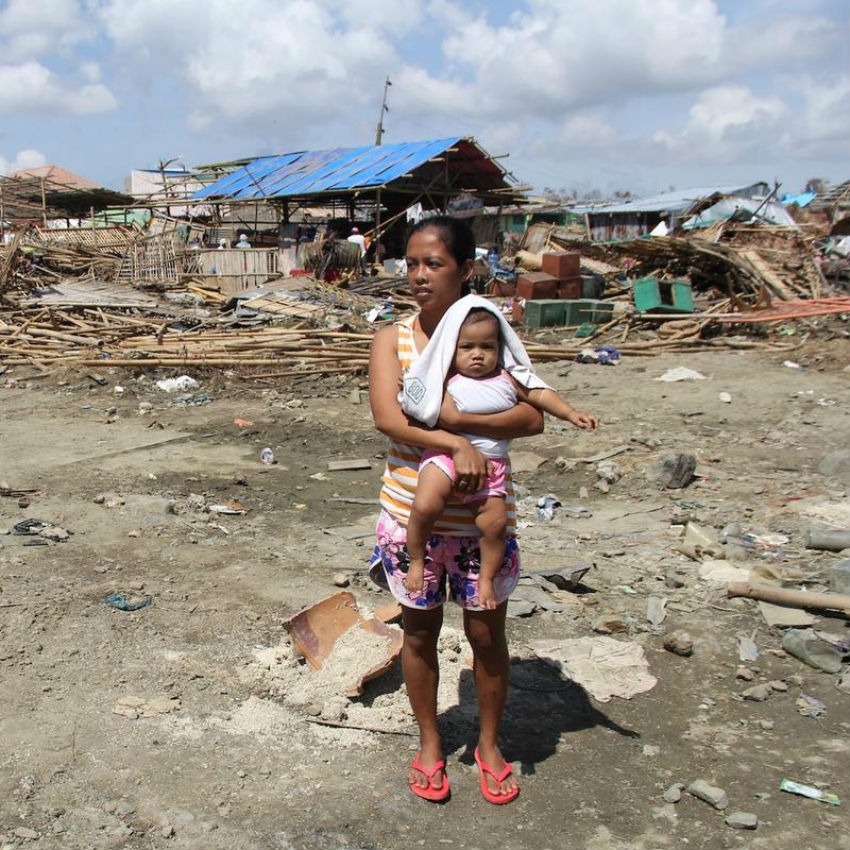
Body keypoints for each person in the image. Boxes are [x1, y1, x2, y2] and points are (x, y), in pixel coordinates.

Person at [369, 216, 544, 805]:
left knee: (486, 633)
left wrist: (459, 424)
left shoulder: (488, 335)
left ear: (465, 269)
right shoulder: (392, 339)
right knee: (418, 633)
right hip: (412, 518)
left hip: (482, 523)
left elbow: (532, 415)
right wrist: (453, 445)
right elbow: (389, 419)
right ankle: (429, 743)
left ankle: (491, 746)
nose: (418, 275)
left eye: (433, 264)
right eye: (411, 263)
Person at [404, 305, 597, 610]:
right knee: (426, 504)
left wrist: (571, 413)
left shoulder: (509, 379)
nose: (477, 354)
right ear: (451, 350)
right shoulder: (446, 379)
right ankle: (416, 560)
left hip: (492, 465)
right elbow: (417, 404)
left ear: (500, 348)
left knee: (495, 526)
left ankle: (485, 578)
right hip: (446, 456)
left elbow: (542, 394)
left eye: (487, 347)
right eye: (467, 347)